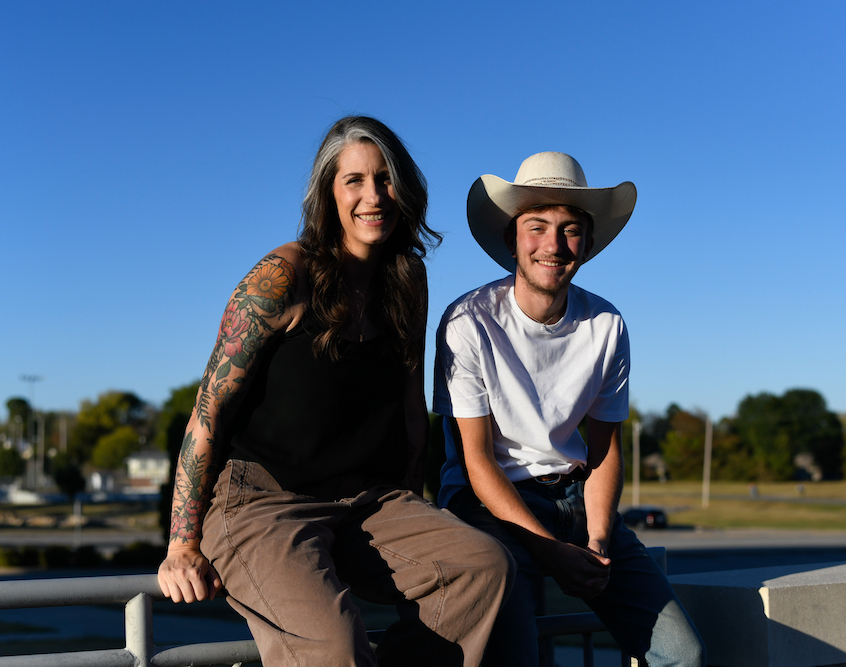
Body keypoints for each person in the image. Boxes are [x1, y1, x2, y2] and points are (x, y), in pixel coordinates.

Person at [157, 116, 513, 667]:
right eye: (355, 180)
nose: (374, 196)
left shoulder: (407, 280)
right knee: (333, 644)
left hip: (366, 502)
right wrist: (181, 543)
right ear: (328, 194)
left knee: (483, 566)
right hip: (260, 503)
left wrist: (414, 513)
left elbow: (410, 409)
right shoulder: (281, 277)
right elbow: (209, 414)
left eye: (387, 179)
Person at [433, 152, 706, 667]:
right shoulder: (467, 322)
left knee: (683, 656)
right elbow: (476, 462)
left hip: (579, 500)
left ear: (589, 242)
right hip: (490, 508)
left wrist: (598, 538)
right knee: (518, 655)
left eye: (570, 230)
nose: (553, 246)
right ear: (513, 238)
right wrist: (549, 550)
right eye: (537, 227)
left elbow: (604, 452)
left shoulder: (607, 325)